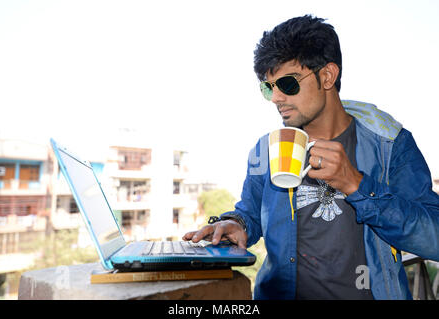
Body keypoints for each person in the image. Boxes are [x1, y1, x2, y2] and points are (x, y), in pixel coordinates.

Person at [183, 15, 439, 300]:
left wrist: (357, 185)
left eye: (287, 84)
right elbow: (251, 214)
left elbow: (434, 238)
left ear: (327, 76)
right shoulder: (265, 150)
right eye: (268, 87)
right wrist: (236, 224)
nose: (276, 98)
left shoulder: (390, 146)